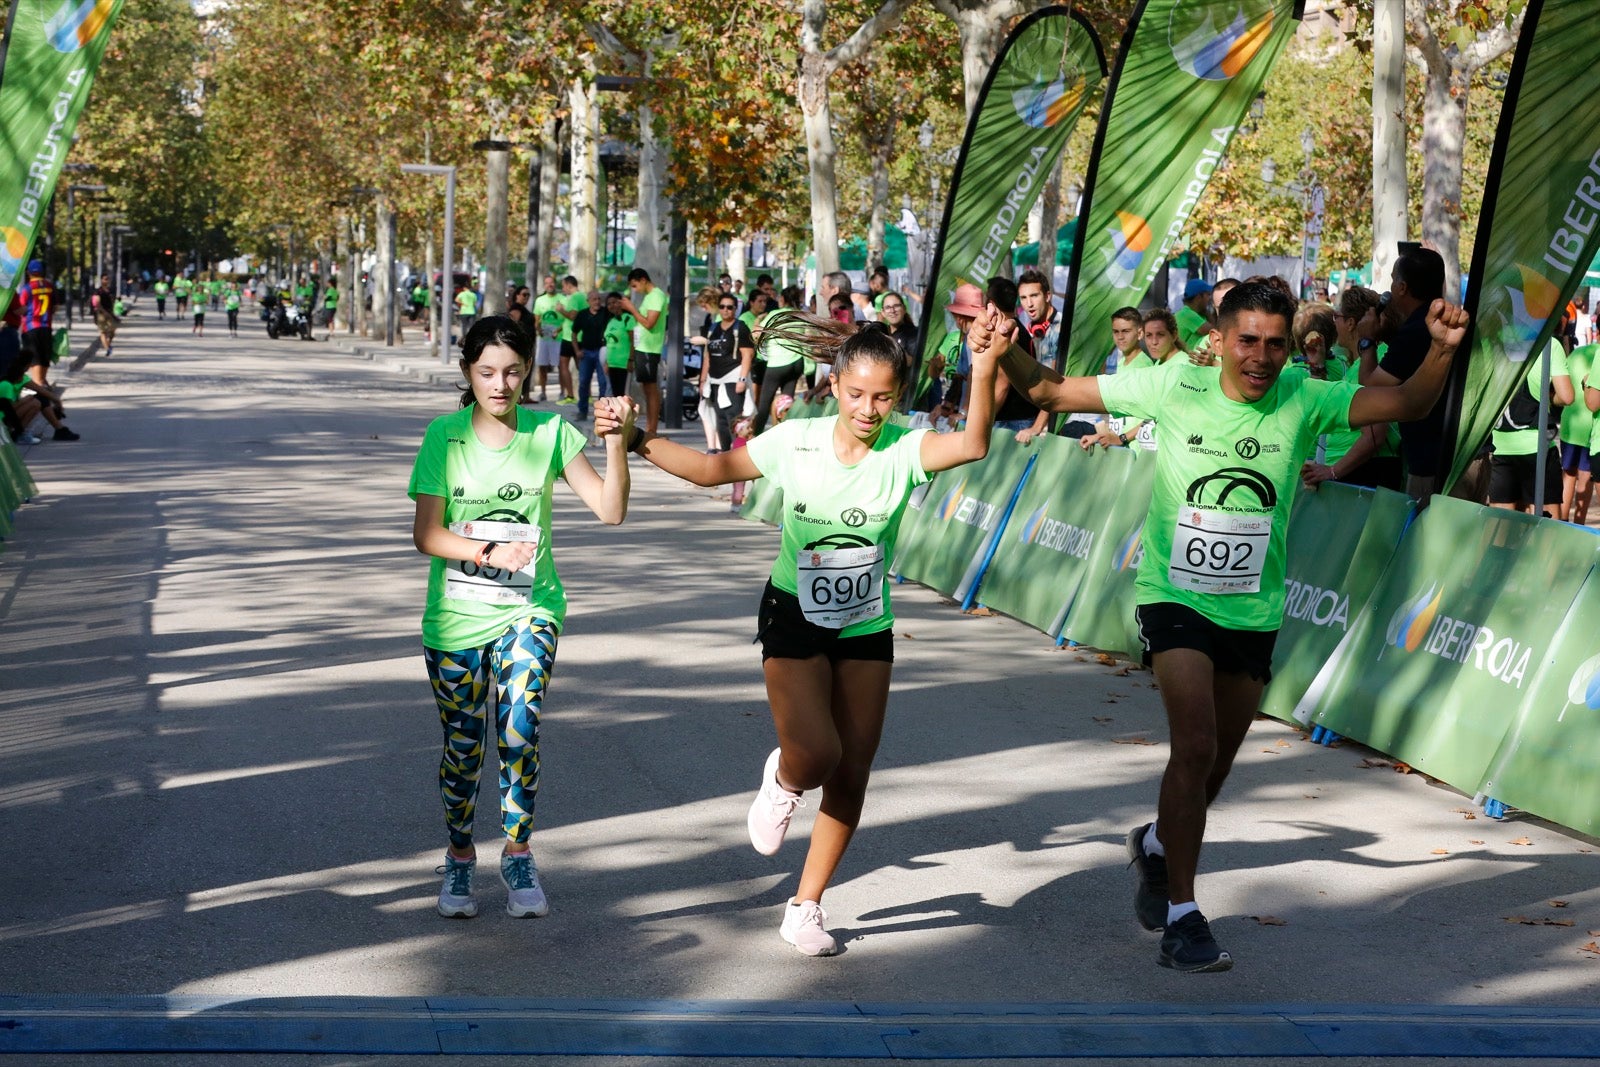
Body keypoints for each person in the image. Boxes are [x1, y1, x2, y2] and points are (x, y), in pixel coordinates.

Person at [977, 280, 1470, 972]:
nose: (1262, 356)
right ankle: (1183, 914)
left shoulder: (1303, 393)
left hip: (1254, 609)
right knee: (1196, 742)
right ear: (1218, 338)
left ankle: (1154, 845)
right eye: (1248, 340)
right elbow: (1053, 396)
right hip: (1173, 597)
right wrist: (1006, 353)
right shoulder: (1175, 385)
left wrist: (1443, 350)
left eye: (1275, 342)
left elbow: (1409, 401)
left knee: (1214, 765)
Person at [622, 310, 1001, 955]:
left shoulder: (904, 450)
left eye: (883, 396)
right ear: (834, 385)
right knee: (816, 756)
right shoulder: (793, 440)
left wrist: (985, 365)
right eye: (857, 394)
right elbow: (713, 470)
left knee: (853, 770)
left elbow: (972, 444)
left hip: (865, 622)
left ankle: (806, 906)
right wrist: (637, 440)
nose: (868, 408)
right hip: (794, 611)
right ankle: (785, 778)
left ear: (897, 395)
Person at [408, 315, 635, 920]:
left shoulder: (551, 432)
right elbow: (426, 534)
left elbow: (610, 511)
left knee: (519, 729)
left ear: (529, 370)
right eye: (486, 372)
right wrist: (486, 553)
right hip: (457, 617)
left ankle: (517, 852)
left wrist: (617, 441)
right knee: (464, 746)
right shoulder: (445, 437)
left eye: (512, 371)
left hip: (530, 608)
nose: (500, 384)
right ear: (467, 373)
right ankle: (459, 859)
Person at [1357, 247, 1449, 503]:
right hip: (1463, 451)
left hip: (1432, 459)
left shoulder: (1417, 330)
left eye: (1393, 280)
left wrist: (1366, 341)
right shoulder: (1441, 321)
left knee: (1423, 537)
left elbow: (1371, 387)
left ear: (1402, 288)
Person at [1300, 286, 1403, 492]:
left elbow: (1375, 435)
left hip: (1365, 473)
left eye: (1336, 316)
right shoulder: (1360, 362)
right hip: (1354, 472)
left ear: (1350, 323)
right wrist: (1317, 365)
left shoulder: (1376, 358)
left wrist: (1332, 471)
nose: (1333, 323)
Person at [1488, 337, 1571, 519]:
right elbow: (1566, 396)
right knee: (1546, 529)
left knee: (1501, 529)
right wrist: (1549, 399)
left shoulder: (1492, 341)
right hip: (1539, 448)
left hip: (1501, 447)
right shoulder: (1548, 343)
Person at [699, 290, 755, 452]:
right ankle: (725, 455)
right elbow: (708, 356)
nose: (725, 310)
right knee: (720, 421)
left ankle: (738, 456)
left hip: (733, 378)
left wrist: (742, 380)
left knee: (735, 420)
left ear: (735, 309)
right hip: (715, 381)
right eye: (722, 307)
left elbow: (747, 354)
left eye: (729, 307)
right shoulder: (713, 328)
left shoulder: (741, 328)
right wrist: (703, 381)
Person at [617, 268, 668, 434]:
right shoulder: (649, 297)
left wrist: (632, 309)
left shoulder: (656, 296)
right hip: (643, 346)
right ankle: (650, 426)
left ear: (643, 280)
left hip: (650, 348)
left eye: (635, 285)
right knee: (647, 388)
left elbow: (649, 323)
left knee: (651, 389)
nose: (634, 289)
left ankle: (652, 428)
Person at [1011, 269, 1059, 444]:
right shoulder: (1031, 328)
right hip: (1040, 416)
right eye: (1023, 298)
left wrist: (1036, 427)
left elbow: (1055, 387)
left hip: (1060, 423)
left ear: (1047, 296)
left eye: (1034, 296)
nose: (1029, 303)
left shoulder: (1060, 330)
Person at [751, 285, 806, 435]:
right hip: (796, 362)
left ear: (782, 299)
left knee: (764, 404)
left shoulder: (775, 314)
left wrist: (759, 319)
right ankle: (785, 436)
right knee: (786, 404)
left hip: (778, 363)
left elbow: (756, 333)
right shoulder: (800, 314)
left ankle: (755, 437)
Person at [1560, 337, 1597, 524]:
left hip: (1570, 424)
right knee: (1585, 477)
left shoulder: (1577, 353)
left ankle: (1562, 521)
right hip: (1592, 427)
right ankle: (1579, 525)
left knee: (1569, 474)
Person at [572, 289, 611, 422]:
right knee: (583, 382)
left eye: (599, 299)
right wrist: (577, 351)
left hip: (602, 352)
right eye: (594, 299)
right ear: (588, 301)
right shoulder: (582, 315)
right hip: (586, 353)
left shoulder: (606, 313)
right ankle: (582, 410)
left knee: (603, 383)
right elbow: (574, 333)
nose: (597, 302)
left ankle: (600, 413)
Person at [17, 262, 58, 389]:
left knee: (34, 357)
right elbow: (55, 307)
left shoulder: (27, 288)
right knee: (45, 356)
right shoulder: (50, 286)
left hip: (30, 327)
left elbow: (22, 308)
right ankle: (42, 381)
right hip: (46, 326)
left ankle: (38, 384)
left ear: (29, 273)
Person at [530, 276, 564, 403]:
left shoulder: (562, 299)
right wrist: (539, 330)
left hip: (558, 337)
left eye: (552, 283)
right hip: (543, 338)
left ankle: (562, 392)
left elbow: (566, 319)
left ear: (555, 284)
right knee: (542, 365)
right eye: (547, 283)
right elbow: (537, 318)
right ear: (544, 285)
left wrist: (558, 330)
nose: (550, 285)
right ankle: (543, 392)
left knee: (561, 365)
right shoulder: (539, 300)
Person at [555, 275, 585, 405]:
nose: (563, 289)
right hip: (578, 336)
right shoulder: (583, 297)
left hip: (570, 337)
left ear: (569, 285)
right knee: (581, 366)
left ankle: (570, 396)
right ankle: (586, 395)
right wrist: (559, 329)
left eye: (563, 286)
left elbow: (573, 316)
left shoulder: (574, 298)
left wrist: (561, 310)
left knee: (563, 365)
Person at [602, 292, 633, 401]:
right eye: (609, 304)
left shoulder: (628, 319)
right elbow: (609, 343)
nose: (612, 305)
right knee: (616, 396)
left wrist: (631, 360)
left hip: (624, 365)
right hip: (612, 364)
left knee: (624, 397)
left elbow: (633, 341)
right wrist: (606, 362)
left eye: (614, 302)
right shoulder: (611, 321)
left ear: (621, 302)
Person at [1177, 279, 1212, 352]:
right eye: (1208, 294)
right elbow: (1215, 333)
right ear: (1199, 297)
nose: (1210, 298)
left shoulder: (1197, 314)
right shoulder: (1187, 314)